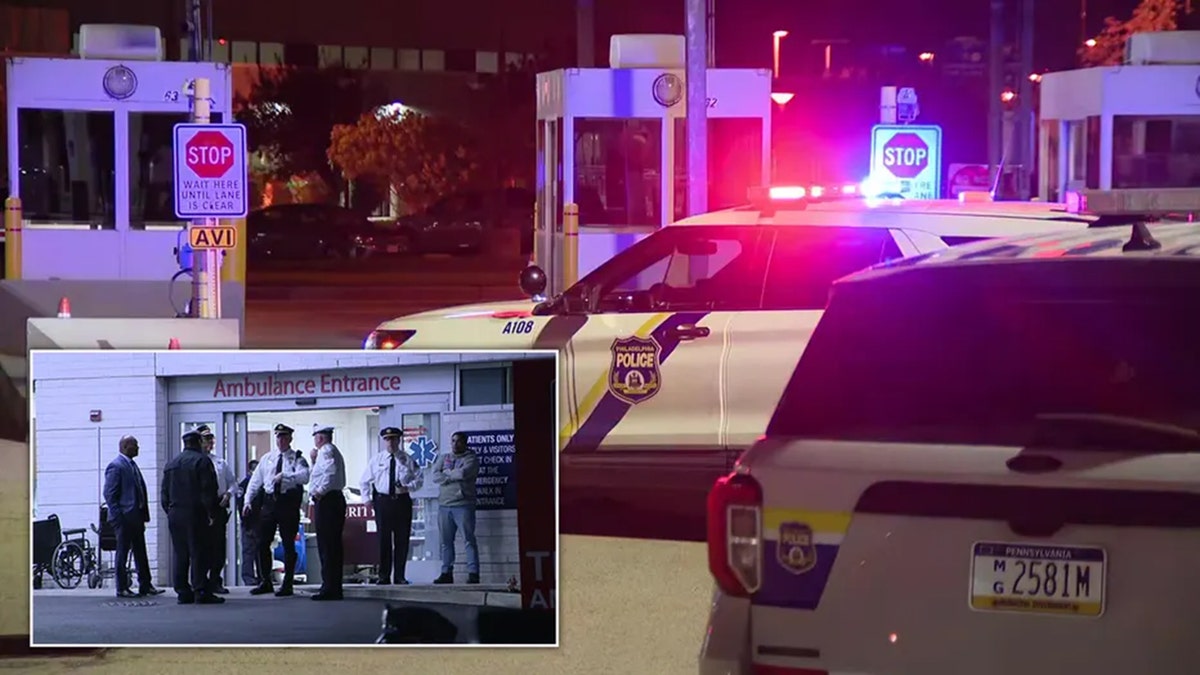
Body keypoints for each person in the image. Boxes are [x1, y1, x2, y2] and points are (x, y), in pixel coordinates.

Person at [244, 423, 310, 597]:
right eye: (279, 437)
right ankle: (265, 581)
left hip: (287, 504)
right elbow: (255, 481)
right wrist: (247, 501)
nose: (281, 440)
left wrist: (286, 476)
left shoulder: (297, 458)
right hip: (269, 502)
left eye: (284, 437)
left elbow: (305, 476)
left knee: (289, 543)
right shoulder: (268, 458)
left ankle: (287, 583)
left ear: (290, 439)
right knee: (262, 542)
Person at [161, 429, 223, 604]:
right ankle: (201, 590)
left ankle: (182, 591)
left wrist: (170, 511)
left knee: (180, 553)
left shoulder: (171, 464)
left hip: (175, 513)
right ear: (197, 442)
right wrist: (211, 512)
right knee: (199, 552)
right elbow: (208, 490)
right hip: (196, 513)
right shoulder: (202, 461)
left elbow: (164, 494)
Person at [101, 436, 165, 598]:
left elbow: (138, 491)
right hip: (124, 518)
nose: (138, 448)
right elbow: (109, 494)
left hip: (135, 517)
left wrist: (143, 516)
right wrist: (119, 517)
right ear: (124, 446)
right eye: (134, 445)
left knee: (140, 551)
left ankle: (145, 584)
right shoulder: (116, 466)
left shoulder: (131, 465)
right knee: (122, 552)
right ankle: (122, 587)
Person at [360, 427, 423, 585]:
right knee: (384, 540)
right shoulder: (377, 460)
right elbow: (364, 481)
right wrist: (366, 499)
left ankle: (400, 576)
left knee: (402, 540)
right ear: (384, 441)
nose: (391, 442)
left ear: (399, 440)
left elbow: (420, 479)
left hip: (401, 501)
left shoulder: (407, 459)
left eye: (394, 439)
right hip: (383, 502)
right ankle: (384, 576)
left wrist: (409, 487)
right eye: (388, 439)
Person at [432, 431, 480, 585]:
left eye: (458, 441)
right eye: (453, 441)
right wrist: (450, 475)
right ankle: (446, 573)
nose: (455, 444)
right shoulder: (443, 458)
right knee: (446, 542)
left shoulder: (471, 458)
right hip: (444, 505)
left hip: (463, 505)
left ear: (465, 443)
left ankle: (473, 573)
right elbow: (434, 476)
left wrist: (446, 475)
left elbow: (463, 473)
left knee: (468, 540)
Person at [308, 425, 347, 601]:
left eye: (316, 437)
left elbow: (329, 474)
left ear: (320, 438)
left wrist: (319, 492)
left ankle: (330, 587)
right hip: (331, 500)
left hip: (328, 501)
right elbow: (320, 473)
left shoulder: (327, 450)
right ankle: (331, 585)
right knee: (330, 545)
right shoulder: (326, 452)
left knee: (328, 545)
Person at [196, 424, 235, 595]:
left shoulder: (220, 462)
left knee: (218, 547)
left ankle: (215, 580)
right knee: (202, 546)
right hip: (201, 508)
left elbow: (233, 483)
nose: (209, 442)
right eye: (206, 439)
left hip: (219, 505)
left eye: (211, 439)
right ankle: (200, 581)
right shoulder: (195, 461)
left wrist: (228, 494)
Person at [236, 459, 261, 586]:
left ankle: (261, 576)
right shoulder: (244, 484)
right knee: (248, 551)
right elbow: (241, 505)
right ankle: (248, 577)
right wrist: (246, 523)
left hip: (260, 522)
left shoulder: (262, 485)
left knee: (260, 550)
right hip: (249, 522)